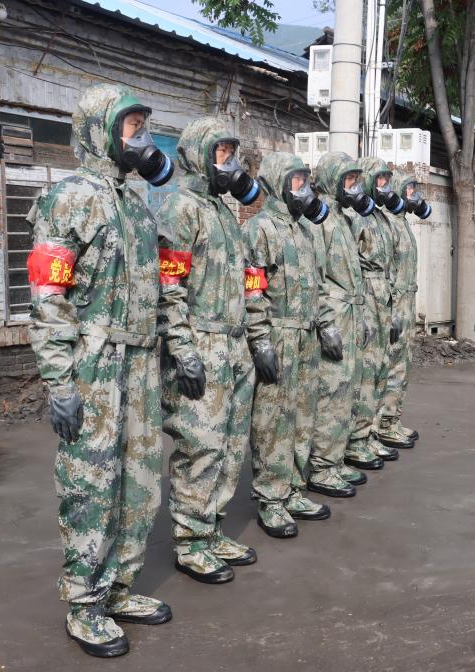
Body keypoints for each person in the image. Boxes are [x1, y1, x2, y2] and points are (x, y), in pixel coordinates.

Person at [27, 83, 201, 657]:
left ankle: (120, 587)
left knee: (140, 480)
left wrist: (177, 347)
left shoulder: (137, 201)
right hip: (94, 365)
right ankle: (84, 603)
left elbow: (162, 286)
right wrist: (59, 380)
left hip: (142, 359)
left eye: (145, 125)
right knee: (91, 483)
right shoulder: (70, 197)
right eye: (132, 126)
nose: (143, 137)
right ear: (101, 128)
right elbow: (48, 295)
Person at [157, 117, 271, 584]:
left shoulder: (226, 211)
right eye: (221, 153)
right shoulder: (181, 208)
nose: (230, 163)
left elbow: (251, 278)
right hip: (201, 344)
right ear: (198, 154)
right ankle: (190, 541)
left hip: (235, 343)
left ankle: (213, 528)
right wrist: (182, 348)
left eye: (232, 154)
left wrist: (257, 336)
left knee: (228, 443)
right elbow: (169, 284)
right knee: (200, 445)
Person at [246, 152, 332, 538]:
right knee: (273, 422)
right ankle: (271, 498)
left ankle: (295, 487)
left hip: (306, 336)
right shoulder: (260, 229)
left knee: (302, 416)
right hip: (278, 335)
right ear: (278, 182)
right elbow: (253, 290)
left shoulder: (306, 231)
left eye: (306, 180)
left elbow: (319, 285)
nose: (304, 188)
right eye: (296, 180)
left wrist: (326, 324)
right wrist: (260, 339)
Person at [308, 151, 377, 496]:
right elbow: (316, 277)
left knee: (346, 390)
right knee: (330, 394)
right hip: (334, 318)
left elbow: (354, 276)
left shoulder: (344, 220)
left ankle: (335, 460)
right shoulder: (318, 221)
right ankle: (321, 466)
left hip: (350, 315)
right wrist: (326, 323)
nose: (353, 187)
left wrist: (362, 316)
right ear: (332, 180)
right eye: (348, 180)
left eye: (355, 181)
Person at [347, 157, 410, 468]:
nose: (385, 186)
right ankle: (357, 438)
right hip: (367, 298)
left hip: (383, 296)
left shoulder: (381, 218)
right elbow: (352, 266)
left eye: (388, 180)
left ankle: (371, 433)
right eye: (380, 180)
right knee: (366, 373)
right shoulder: (357, 218)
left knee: (382, 368)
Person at [375, 171, 431, 448]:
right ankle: (381, 425)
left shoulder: (402, 223)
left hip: (407, 303)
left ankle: (392, 420)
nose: (413, 195)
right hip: (396, 306)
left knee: (402, 366)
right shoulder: (388, 225)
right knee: (390, 366)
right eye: (408, 189)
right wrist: (394, 310)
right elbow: (386, 274)